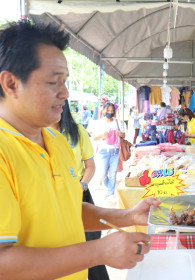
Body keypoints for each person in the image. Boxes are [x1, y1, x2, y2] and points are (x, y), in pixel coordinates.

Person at [0, 21, 160, 280]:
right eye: (54, 82)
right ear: (11, 83)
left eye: (65, 81)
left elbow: (69, 209)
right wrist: (98, 252)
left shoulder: (56, 140)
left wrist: (127, 215)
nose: (65, 93)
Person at [50, 100, 109, 280]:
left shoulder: (77, 132)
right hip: (52, 198)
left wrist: (81, 185)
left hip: (79, 194)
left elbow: (90, 166)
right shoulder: (35, 133)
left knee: (90, 244)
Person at [93, 102, 125, 201]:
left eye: (112, 111)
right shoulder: (99, 123)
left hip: (115, 151)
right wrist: (102, 135)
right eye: (108, 111)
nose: (110, 112)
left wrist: (120, 134)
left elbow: (124, 136)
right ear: (103, 111)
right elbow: (94, 137)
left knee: (113, 173)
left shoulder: (118, 122)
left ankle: (110, 194)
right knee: (103, 174)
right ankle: (109, 188)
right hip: (103, 152)